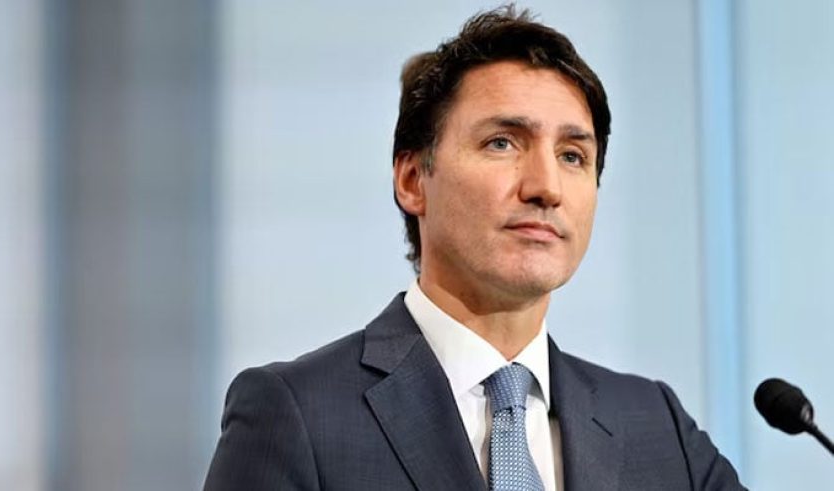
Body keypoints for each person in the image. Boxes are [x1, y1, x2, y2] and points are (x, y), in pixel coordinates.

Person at [204, 6, 746, 491]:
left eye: (573, 155)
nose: (546, 187)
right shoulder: (296, 413)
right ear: (414, 180)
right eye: (502, 143)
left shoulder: (657, 425)